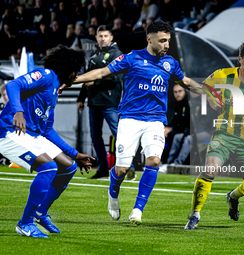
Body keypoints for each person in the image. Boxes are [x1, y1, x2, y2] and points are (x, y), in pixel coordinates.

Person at [74, 21, 205, 224]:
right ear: (149, 39)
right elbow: (101, 73)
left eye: (168, 41)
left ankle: (138, 209)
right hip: (130, 119)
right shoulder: (132, 58)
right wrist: (71, 80)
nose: (166, 45)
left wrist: (208, 92)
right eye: (162, 41)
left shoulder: (170, 63)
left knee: (153, 161)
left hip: (155, 121)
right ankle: (113, 193)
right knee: (122, 169)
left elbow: (185, 82)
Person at [0, 45, 94, 238]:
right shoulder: (46, 75)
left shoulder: (54, 91)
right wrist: (18, 111)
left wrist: (75, 154)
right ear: (68, 68)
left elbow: (48, 130)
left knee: (68, 167)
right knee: (49, 167)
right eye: (75, 71)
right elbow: (12, 85)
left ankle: (40, 214)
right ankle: (25, 223)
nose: (76, 76)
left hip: (33, 136)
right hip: (10, 132)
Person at [184, 41, 244, 230]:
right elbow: (203, 88)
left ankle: (233, 196)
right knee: (211, 168)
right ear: (240, 60)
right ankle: (194, 215)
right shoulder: (222, 75)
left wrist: (243, 108)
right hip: (224, 135)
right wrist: (210, 97)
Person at [77, 25, 123, 179]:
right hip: (93, 102)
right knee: (95, 137)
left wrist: (94, 83)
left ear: (111, 37)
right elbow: (87, 77)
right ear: (96, 38)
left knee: (119, 135)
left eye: (105, 36)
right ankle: (103, 168)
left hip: (110, 102)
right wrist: (81, 98)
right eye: (100, 36)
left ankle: (126, 166)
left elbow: (116, 77)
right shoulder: (93, 54)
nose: (103, 39)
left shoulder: (117, 54)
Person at [165, 84, 192, 165]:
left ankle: (177, 164)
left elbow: (188, 124)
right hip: (182, 132)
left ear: (185, 91)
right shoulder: (176, 105)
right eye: (175, 92)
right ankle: (168, 163)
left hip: (194, 133)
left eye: (180, 91)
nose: (178, 94)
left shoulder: (189, 104)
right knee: (174, 137)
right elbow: (176, 122)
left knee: (188, 139)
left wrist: (171, 129)